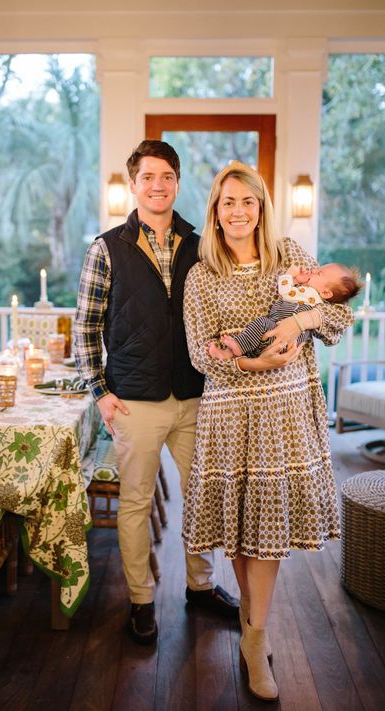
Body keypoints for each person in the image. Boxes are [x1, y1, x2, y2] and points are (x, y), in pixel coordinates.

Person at [181, 161, 354, 701]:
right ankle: (254, 633)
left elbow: (339, 318)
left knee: (269, 528)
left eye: (248, 202)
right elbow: (197, 351)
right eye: (228, 202)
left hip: (284, 414)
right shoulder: (201, 274)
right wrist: (252, 366)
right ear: (216, 209)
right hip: (231, 410)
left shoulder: (292, 256)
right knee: (239, 527)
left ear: (261, 208)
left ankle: (255, 639)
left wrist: (299, 322)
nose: (238, 211)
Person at [74, 140, 238, 646]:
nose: (158, 185)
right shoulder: (106, 247)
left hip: (194, 396)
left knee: (202, 498)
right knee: (135, 504)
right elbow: (86, 327)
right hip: (134, 401)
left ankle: (200, 587)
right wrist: (100, 393)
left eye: (167, 176)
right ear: (133, 183)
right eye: (148, 177)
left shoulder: (201, 241)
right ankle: (141, 602)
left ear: (178, 182)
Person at [212, 261, 361, 360]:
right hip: (277, 335)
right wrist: (297, 281)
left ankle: (235, 348)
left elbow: (284, 292)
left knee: (262, 323)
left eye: (319, 273)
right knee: (260, 330)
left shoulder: (313, 298)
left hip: (286, 340)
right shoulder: (306, 291)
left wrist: (289, 275)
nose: (313, 269)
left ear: (327, 293)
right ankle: (235, 351)